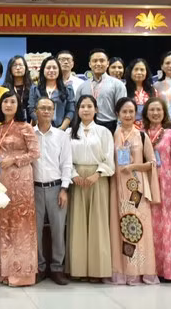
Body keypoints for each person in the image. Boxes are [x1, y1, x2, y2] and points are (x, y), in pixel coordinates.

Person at [108, 97, 160, 285]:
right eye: (124, 112)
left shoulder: (142, 136)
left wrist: (134, 166)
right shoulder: (113, 135)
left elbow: (153, 163)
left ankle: (140, 271)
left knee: (138, 228)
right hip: (117, 188)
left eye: (131, 111)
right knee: (120, 228)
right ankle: (123, 271)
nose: (128, 115)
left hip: (137, 190)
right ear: (117, 114)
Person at [0, 91, 40, 286]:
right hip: (1, 179)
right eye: (5, 101)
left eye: (12, 101)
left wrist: (14, 160)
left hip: (21, 179)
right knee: (4, 221)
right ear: (0, 105)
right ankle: (5, 270)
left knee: (21, 222)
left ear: (18, 105)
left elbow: (35, 153)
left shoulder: (26, 127)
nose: (9, 104)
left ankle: (22, 273)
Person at [66, 95, 114, 281]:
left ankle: (97, 270)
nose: (86, 109)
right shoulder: (70, 132)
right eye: (82, 106)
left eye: (89, 106)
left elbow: (109, 158)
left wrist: (98, 174)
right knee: (77, 224)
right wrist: (73, 174)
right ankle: (77, 270)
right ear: (77, 110)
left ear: (96, 110)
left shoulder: (103, 132)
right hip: (77, 179)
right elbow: (65, 158)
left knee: (98, 225)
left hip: (98, 179)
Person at [32, 97, 72, 285]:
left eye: (50, 108)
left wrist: (64, 189)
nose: (46, 111)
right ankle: (39, 267)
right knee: (35, 231)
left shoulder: (61, 135)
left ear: (54, 111)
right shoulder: (29, 134)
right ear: (36, 111)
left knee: (58, 230)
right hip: (34, 189)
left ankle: (57, 268)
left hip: (56, 187)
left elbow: (66, 163)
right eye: (43, 108)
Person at [143, 97, 171, 282]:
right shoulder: (141, 133)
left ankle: (169, 270)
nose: (155, 113)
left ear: (164, 112)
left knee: (167, 227)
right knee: (149, 226)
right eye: (151, 110)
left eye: (158, 110)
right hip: (146, 184)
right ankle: (151, 269)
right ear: (146, 112)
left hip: (166, 184)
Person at [75, 48, 127, 133]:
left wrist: (119, 131)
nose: (98, 64)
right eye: (95, 61)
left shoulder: (117, 85)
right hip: (86, 127)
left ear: (107, 64)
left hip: (110, 127)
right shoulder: (82, 86)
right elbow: (77, 110)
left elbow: (122, 110)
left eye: (102, 61)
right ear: (89, 64)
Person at [29, 56, 75, 129]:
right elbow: (31, 109)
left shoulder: (68, 89)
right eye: (48, 68)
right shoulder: (35, 89)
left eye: (54, 68)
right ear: (43, 70)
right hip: (39, 129)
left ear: (59, 70)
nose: (51, 70)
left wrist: (62, 128)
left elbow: (71, 111)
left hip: (61, 130)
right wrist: (40, 125)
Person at [125, 58, 155, 129]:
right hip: (129, 128)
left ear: (146, 72)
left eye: (142, 70)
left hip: (149, 128)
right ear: (130, 72)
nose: (139, 72)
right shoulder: (124, 89)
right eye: (136, 69)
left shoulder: (153, 90)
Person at [2, 55, 33, 122]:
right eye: (15, 65)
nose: (18, 68)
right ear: (10, 69)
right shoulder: (4, 89)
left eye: (20, 65)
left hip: (31, 125)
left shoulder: (33, 88)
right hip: (10, 125)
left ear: (26, 68)